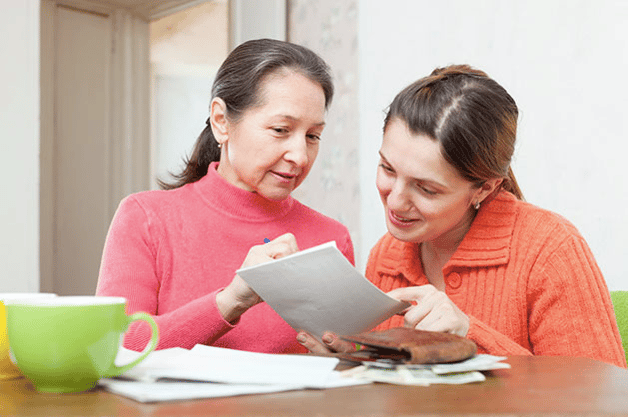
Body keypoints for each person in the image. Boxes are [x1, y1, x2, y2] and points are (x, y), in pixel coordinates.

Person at [298, 64, 626, 368]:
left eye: (426, 189)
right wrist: (348, 361)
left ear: (483, 189)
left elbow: (599, 398)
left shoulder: (550, 249)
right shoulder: (386, 256)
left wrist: (469, 333)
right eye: (387, 169)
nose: (395, 201)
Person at [96, 39, 354, 354]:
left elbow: (344, 370)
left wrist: (344, 359)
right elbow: (117, 345)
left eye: (313, 136)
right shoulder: (145, 217)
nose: (300, 156)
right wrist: (230, 301)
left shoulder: (332, 239)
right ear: (221, 121)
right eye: (280, 130)